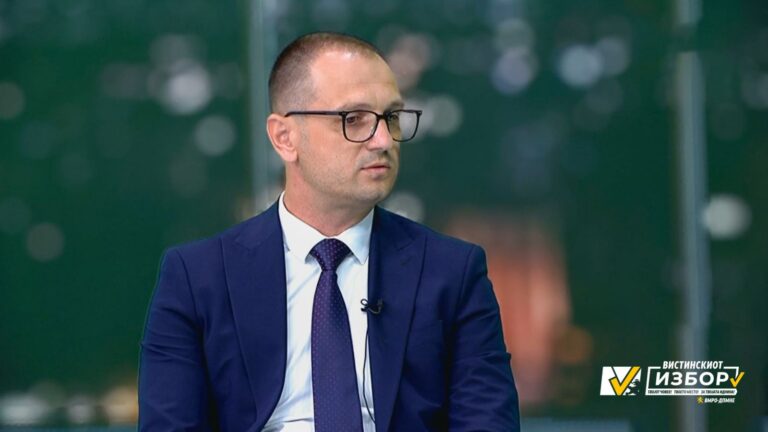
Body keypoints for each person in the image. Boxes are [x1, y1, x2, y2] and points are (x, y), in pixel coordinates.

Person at [139, 31, 520, 432]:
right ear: (285, 137)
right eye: (353, 119)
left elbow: (487, 422)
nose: (383, 140)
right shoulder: (197, 277)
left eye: (391, 118)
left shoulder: (453, 272)